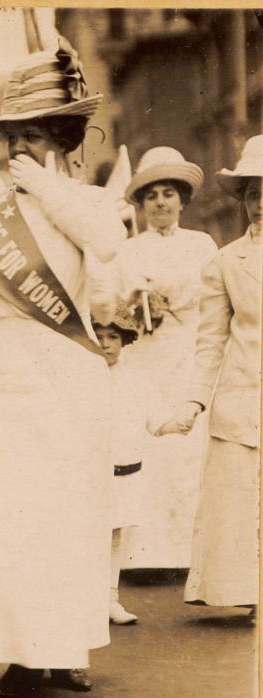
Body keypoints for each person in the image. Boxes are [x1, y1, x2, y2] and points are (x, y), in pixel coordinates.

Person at [0, 39, 125, 696]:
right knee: (8, 519)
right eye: (12, 138)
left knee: (68, 519)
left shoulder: (83, 202)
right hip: (3, 380)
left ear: (60, 138)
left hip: (66, 379)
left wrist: (48, 188)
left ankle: (64, 647)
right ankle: (18, 652)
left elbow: (111, 243)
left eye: (32, 136)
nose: (18, 151)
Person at [114, 147, 217, 569]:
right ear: (141, 203)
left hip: (189, 351)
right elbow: (118, 307)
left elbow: (215, 300)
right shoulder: (128, 250)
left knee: (190, 448)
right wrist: (138, 304)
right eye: (152, 195)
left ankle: (189, 552)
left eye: (168, 194)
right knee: (149, 442)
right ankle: (145, 554)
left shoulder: (203, 244)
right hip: (146, 354)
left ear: (182, 200)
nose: (160, 203)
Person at [173, 135, 262, 617]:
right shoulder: (226, 263)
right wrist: (194, 402)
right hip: (240, 401)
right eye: (252, 192)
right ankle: (250, 595)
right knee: (241, 506)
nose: (260, 203)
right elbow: (210, 343)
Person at [94, 309, 185, 625]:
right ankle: (82, 601)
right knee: (87, 535)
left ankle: (109, 599)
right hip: (87, 473)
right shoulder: (79, 378)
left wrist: (179, 423)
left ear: (126, 340)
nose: (105, 344)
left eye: (113, 337)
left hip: (122, 471)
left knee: (114, 534)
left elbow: (156, 423)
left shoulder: (135, 380)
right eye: (98, 336)